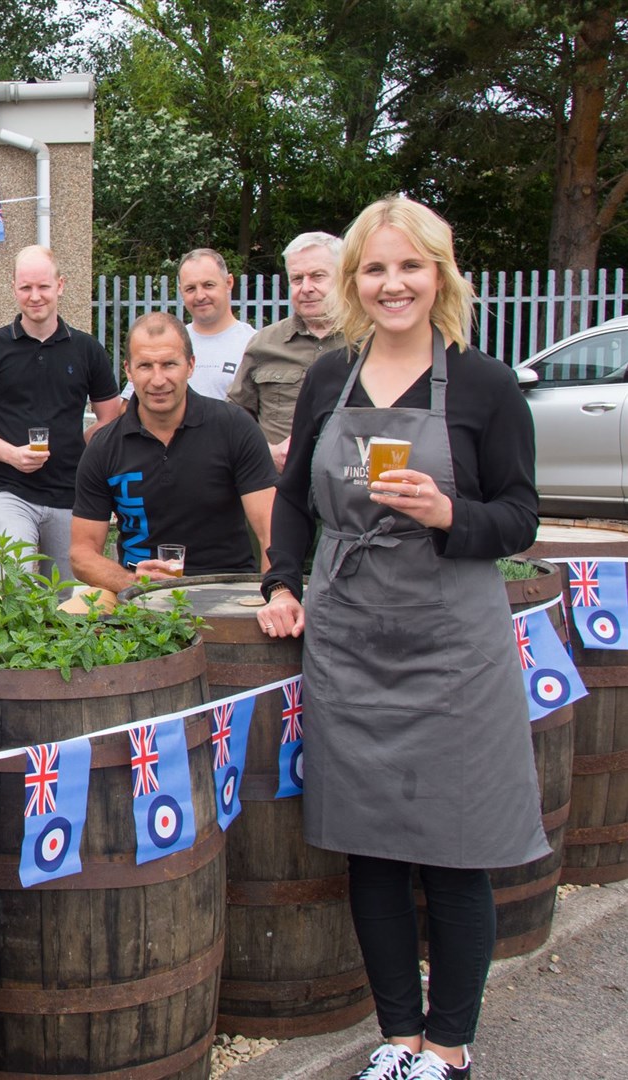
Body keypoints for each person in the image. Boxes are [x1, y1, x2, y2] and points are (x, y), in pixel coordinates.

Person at [257, 197, 545, 1080]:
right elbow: (298, 500)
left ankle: (449, 1049)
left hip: (450, 644)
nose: (392, 284)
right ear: (353, 282)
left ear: (439, 276)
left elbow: (520, 517)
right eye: (375, 269)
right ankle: (398, 1039)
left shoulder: (485, 385)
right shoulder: (327, 380)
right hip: (348, 640)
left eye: (409, 267)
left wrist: (448, 511)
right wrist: (280, 581)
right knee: (371, 846)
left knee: (455, 853)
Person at [70, 313, 277, 591]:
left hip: (227, 589)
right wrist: (131, 582)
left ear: (190, 365)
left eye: (169, 364)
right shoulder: (104, 447)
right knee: (71, 612)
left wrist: (275, 593)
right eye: (145, 366)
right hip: (138, 595)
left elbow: (271, 533)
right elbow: (82, 555)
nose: (158, 380)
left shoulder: (234, 428)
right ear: (129, 371)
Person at [0, 246, 123, 582]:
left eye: (43, 287)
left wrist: (88, 442)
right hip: (10, 490)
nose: (35, 296)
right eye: (26, 287)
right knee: (9, 582)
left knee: (71, 599)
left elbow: (112, 417)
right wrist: (11, 454)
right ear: (13, 287)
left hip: (73, 493)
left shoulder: (87, 348)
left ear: (60, 285)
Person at [229, 232, 347, 470]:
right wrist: (267, 452)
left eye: (317, 276)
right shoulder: (264, 344)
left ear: (343, 277)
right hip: (278, 489)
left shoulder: (371, 342)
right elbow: (233, 417)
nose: (306, 288)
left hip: (349, 491)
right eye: (296, 279)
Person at [178, 247, 256, 402]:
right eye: (191, 288)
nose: (200, 296)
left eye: (208, 285)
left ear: (229, 283)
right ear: (181, 292)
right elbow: (130, 405)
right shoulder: (170, 343)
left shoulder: (254, 344)